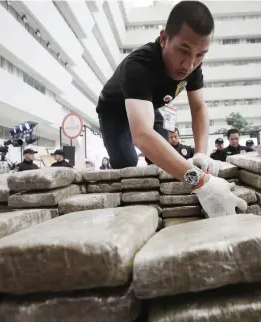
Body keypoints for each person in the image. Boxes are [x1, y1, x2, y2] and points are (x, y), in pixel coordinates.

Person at [95, 1, 246, 217]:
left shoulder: (192, 64)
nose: (189, 64)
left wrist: (201, 153)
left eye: (200, 55)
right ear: (164, 38)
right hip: (115, 111)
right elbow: (142, 135)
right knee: (127, 164)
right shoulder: (138, 66)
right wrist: (201, 182)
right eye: (183, 50)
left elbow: (198, 107)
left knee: (164, 155)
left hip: (149, 107)